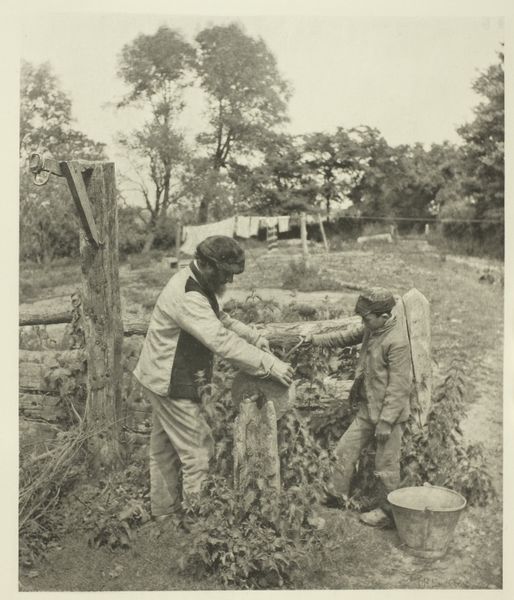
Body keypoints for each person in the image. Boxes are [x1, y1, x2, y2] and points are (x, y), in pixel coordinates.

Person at [133, 235, 294, 520]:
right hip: (169, 381)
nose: (229, 280)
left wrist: (254, 337)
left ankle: (164, 516)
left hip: (160, 375)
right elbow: (221, 341)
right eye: (226, 273)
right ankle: (199, 523)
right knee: (199, 452)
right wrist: (269, 364)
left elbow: (221, 319)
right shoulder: (188, 295)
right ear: (207, 264)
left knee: (164, 449)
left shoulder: (196, 281)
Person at [306, 287, 412, 527]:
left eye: (367, 319)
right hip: (368, 408)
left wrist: (386, 422)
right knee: (345, 449)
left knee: (386, 464)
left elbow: (399, 388)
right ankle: (335, 493)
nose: (363, 323)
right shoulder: (373, 328)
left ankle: (388, 513)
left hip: (389, 415)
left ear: (384, 317)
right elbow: (345, 337)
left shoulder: (397, 342)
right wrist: (315, 340)